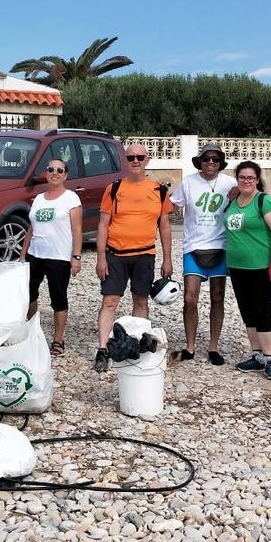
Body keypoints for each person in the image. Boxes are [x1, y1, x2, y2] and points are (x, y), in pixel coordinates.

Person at [94, 143, 173, 372]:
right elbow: (103, 225)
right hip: (115, 255)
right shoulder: (114, 188)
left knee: (141, 301)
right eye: (131, 158)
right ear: (125, 161)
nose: (135, 161)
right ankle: (102, 350)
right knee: (109, 301)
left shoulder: (158, 190)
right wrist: (100, 257)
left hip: (145, 255)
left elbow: (165, 227)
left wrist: (167, 259)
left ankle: (138, 343)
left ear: (147, 160)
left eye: (140, 157)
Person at [169, 143, 237, 365]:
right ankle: (190, 346)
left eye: (215, 159)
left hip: (220, 247)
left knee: (218, 297)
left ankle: (213, 347)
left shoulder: (230, 183)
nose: (210, 163)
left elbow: (246, 202)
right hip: (193, 247)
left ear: (220, 163)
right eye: (206, 159)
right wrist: (156, 192)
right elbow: (171, 206)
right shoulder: (188, 182)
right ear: (200, 162)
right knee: (190, 298)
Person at [224, 161, 271, 379]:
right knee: (247, 311)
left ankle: (270, 358)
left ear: (258, 179)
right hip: (237, 266)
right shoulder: (233, 200)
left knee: (262, 311)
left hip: (261, 267)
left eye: (250, 177)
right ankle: (257, 355)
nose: (246, 181)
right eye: (242, 177)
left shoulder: (264, 201)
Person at [19, 158, 82, 356]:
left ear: (65, 175)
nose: (55, 173)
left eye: (59, 170)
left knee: (58, 298)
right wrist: (22, 254)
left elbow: (77, 230)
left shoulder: (71, 198)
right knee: (29, 294)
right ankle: (31, 332)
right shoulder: (39, 198)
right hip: (35, 254)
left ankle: (58, 340)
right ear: (46, 173)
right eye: (51, 169)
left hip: (59, 256)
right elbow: (32, 228)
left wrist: (76, 257)